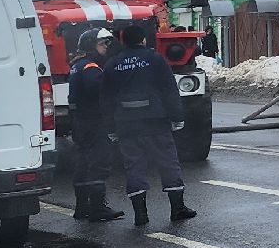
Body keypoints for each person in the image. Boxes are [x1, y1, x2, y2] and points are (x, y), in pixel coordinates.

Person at [102, 20, 195, 225]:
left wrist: (110, 127)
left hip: (126, 124)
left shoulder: (113, 63)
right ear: (143, 40)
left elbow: (106, 98)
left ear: (123, 41)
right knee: (167, 162)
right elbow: (169, 89)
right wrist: (177, 117)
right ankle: (177, 209)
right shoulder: (154, 59)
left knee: (134, 166)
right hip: (155, 121)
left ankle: (141, 215)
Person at [66, 31, 126, 221]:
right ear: (92, 45)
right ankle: (98, 208)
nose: (105, 47)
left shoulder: (77, 65)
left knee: (83, 163)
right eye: (101, 44)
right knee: (99, 163)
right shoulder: (92, 68)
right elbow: (100, 91)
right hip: (94, 122)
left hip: (80, 122)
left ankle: (82, 206)